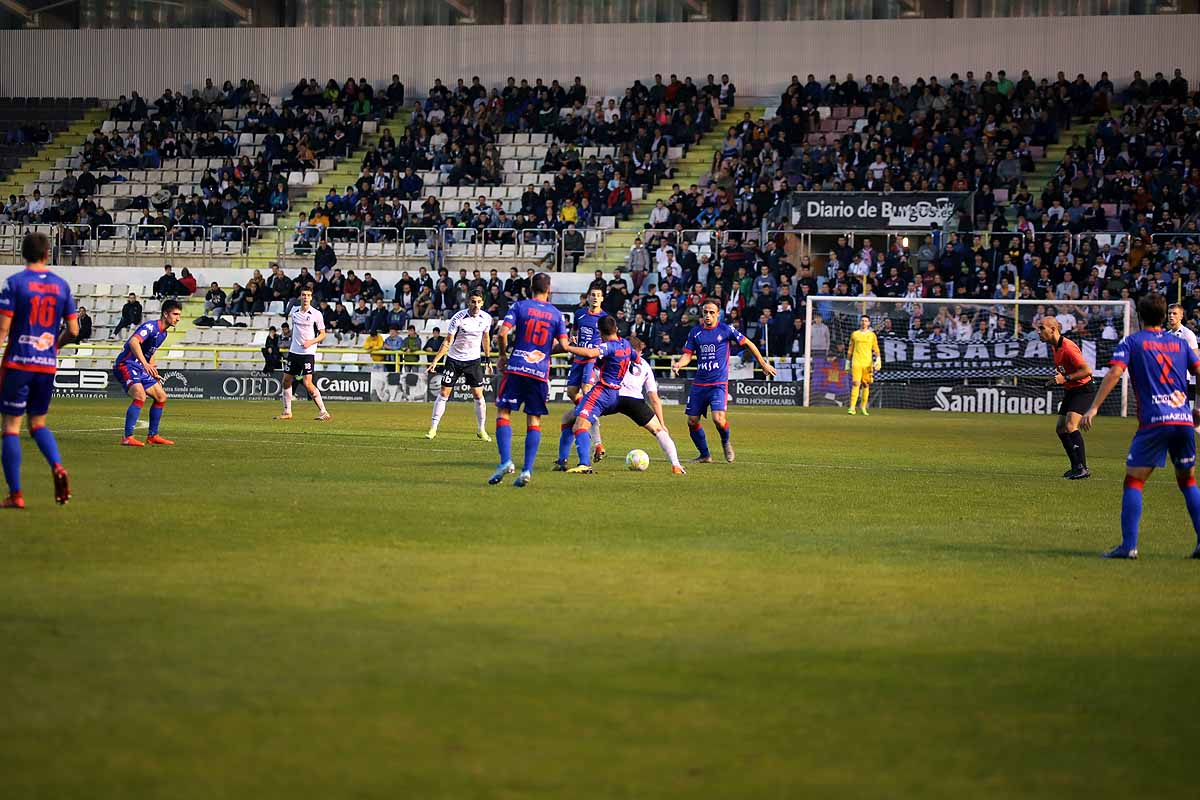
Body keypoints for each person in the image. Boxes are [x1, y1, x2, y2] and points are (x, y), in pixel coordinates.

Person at [1081, 293, 1200, 559]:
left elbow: (1114, 372)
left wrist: (1095, 407)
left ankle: (1128, 546)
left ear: (1139, 317)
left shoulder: (1132, 342)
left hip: (1155, 421)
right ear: (1162, 317)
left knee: (1134, 481)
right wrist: (1199, 407)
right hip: (1182, 420)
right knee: (1188, 480)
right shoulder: (1180, 344)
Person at [0, 232, 79, 507]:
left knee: (11, 427)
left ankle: (16, 494)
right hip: (46, 366)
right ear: (47, 253)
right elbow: (74, 330)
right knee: (38, 424)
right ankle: (57, 465)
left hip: (19, 363)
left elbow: (3, 331)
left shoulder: (14, 284)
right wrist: (54, 347)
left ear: (23, 254)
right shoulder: (62, 286)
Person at [556, 335, 686, 474]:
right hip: (633, 401)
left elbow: (596, 374)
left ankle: (595, 445)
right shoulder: (644, 364)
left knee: (576, 416)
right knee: (658, 430)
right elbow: (654, 398)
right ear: (638, 351)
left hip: (610, 396)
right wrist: (662, 422)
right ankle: (676, 465)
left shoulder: (612, 356)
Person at [671, 298, 777, 463]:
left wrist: (762, 363)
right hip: (699, 383)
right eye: (705, 312)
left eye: (711, 312)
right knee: (692, 421)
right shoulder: (695, 332)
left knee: (718, 420)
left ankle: (725, 442)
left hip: (718, 383)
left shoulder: (726, 329)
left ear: (718, 314)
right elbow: (688, 355)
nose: (707, 315)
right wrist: (679, 364)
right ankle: (705, 455)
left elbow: (748, 343)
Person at [489, 272, 568, 487]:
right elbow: (564, 345)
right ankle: (527, 470)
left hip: (516, 368)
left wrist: (503, 355)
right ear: (548, 289)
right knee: (534, 420)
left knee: (504, 412)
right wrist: (548, 351)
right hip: (540, 373)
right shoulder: (557, 315)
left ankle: (506, 461)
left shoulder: (519, 307)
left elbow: (502, 334)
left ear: (530, 288)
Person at [558, 315, 639, 474]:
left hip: (602, 392)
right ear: (616, 328)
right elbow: (636, 359)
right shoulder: (626, 344)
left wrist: (568, 347)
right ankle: (561, 461)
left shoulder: (609, 347)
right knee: (569, 418)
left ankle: (585, 464)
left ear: (600, 332)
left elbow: (590, 353)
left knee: (580, 425)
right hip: (615, 394)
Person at [426, 290, 493, 441]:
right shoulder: (458, 318)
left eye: (478, 302)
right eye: (473, 301)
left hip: (473, 361)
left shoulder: (486, 319)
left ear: (482, 303)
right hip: (454, 360)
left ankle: (481, 430)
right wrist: (435, 360)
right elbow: (447, 342)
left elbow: (486, 339)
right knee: (444, 393)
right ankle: (433, 428)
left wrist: (488, 359)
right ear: (468, 302)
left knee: (478, 395)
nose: (476, 305)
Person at [114, 299, 183, 447]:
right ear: (165, 314)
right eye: (175, 314)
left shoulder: (163, 334)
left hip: (139, 367)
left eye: (179, 315)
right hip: (126, 364)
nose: (178, 318)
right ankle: (127, 437)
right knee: (140, 395)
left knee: (161, 397)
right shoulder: (150, 327)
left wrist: (152, 368)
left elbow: (150, 352)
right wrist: (145, 364)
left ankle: (153, 436)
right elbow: (133, 342)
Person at [1038, 317, 1094, 479]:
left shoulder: (1068, 347)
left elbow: (1087, 371)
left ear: (1053, 329)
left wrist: (1065, 378)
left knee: (1070, 426)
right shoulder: (1055, 347)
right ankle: (1076, 466)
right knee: (1060, 428)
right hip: (1071, 390)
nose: (1039, 332)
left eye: (1042, 328)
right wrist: (1060, 377)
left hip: (1083, 389)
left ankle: (1083, 467)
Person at [563, 287, 608, 463]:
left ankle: (597, 442)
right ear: (587, 298)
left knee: (587, 391)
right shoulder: (580, 314)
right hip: (579, 357)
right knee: (571, 392)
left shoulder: (605, 318)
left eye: (598, 295)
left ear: (602, 299)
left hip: (592, 359)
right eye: (593, 295)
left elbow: (609, 338)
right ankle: (587, 413)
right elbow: (574, 331)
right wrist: (573, 337)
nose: (595, 298)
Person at [276, 288, 331, 421]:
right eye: (303, 295)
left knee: (307, 383)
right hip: (294, 352)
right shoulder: (294, 310)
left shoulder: (316, 314)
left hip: (307, 353)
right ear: (300, 297)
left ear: (311, 298)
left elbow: (323, 334)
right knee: (286, 380)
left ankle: (324, 412)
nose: (306, 297)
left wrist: (310, 342)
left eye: (308, 295)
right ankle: (287, 412)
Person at [1166, 302, 1200, 424]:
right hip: (1166, 378)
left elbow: (1195, 358)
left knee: (1179, 410)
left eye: (1174, 313)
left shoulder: (1188, 335)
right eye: (1169, 313)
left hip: (1181, 378)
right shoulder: (1166, 335)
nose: (1171, 316)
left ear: (1181, 316)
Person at [846, 314, 881, 416]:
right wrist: (847, 362)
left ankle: (863, 408)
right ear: (860, 322)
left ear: (869, 323)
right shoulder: (855, 334)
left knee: (865, 385)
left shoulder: (872, 335)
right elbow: (850, 350)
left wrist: (878, 360)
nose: (864, 322)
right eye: (862, 320)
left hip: (867, 364)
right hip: (856, 362)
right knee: (856, 383)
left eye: (866, 321)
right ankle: (852, 407)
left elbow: (876, 349)